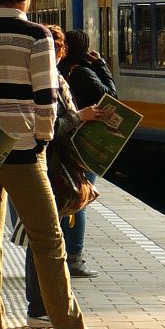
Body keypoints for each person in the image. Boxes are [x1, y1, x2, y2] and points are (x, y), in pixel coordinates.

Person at [0, 0, 124, 329]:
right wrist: (42, 139)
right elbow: (45, 97)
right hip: (21, 155)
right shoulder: (34, 35)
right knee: (49, 244)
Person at [24, 26, 115, 325]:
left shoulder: (50, 75)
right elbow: (51, 127)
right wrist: (82, 116)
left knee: (44, 234)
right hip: (53, 163)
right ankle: (40, 307)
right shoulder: (52, 78)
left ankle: (42, 306)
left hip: (46, 161)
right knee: (48, 237)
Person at [56, 29, 116, 278]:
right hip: (82, 143)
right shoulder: (83, 72)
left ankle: (61, 253)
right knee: (80, 198)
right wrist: (101, 65)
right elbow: (111, 96)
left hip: (60, 143)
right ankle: (74, 258)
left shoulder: (59, 72)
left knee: (63, 197)